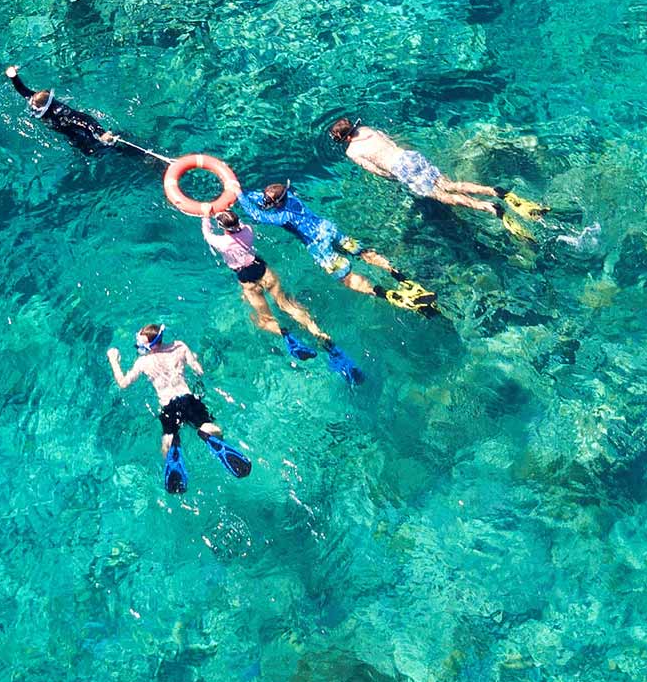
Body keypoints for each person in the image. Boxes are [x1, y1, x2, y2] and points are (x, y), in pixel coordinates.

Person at [202, 209, 364, 383]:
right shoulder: (248, 231)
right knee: (287, 304)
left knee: (263, 320)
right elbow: (239, 227)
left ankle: (287, 335)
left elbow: (207, 234)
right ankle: (322, 337)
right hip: (263, 271)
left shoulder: (222, 243)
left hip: (247, 280)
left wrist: (205, 214)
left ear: (222, 227)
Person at [326, 118, 549, 239]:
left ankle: (489, 207)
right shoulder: (366, 128)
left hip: (400, 169)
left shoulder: (351, 152)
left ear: (341, 138)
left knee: (443, 197)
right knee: (450, 185)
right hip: (409, 156)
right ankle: (497, 191)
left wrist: (393, 178)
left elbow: (375, 170)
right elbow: (390, 141)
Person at [238, 181, 437, 313]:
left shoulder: (284, 216)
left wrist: (239, 197)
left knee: (346, 277)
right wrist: (241, 192)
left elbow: (258, 216)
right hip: (330, 229)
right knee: (363, 252)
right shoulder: (292, 199)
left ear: (275, 203)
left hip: (319, 245)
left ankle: (391, 295)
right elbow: (264, 197)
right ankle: (403, 279)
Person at [107, 323, 251, 494]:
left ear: (149, 346)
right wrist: (194, 358)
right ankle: (207, 435)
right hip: (188, 399)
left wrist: (113, 360)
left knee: (167, 440)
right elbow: (199, 371)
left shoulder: (143, 362)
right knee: (209, 426)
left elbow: (123, 383)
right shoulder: (180, 346)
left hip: (168, 406)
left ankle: (173, 445)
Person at [5, 64, 120, 156]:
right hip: (71, 134)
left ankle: (114, 146)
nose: (31, 103)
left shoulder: (55, 112)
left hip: (74, 133)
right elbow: (22, 89)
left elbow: (84, 119)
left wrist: (101, 133)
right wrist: (13, 77)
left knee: (92, 149)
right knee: (88, 151)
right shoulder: (43, 103)